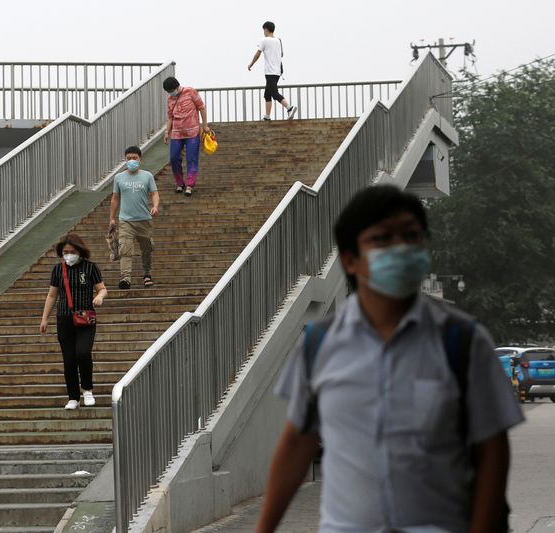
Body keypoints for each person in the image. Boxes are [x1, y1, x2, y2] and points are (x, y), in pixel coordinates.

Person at [256, 185, 524, 533]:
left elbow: (492, 449)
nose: (401, 249)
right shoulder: (319, 345)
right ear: (350, 260)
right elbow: (297, 442)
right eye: (382, 240)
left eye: (411, 236)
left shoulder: (462, 341)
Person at [40, 234, 108, 410]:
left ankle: (87, 389)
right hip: (64, 319)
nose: (69, 255)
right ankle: (73, 397)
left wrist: (99, 296)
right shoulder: (58, 270)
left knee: (83, 353)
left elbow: (102, 289)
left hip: (85, 318)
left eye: (72, 251)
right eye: (65, 252)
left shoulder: (90, 268)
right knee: (69, 359)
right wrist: (44, 318)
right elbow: (52, 295)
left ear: (80, 251)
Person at [109, 146, 160, 289]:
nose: (132, 160)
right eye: (129, 158)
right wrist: (112, 218)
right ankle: (125, 278)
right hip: (126, 220)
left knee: (147, 248)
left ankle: (147, 273)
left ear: (140, 160)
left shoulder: (147, 176)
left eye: (134, 158)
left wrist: (155, 206)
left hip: (144, 219)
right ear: (125, 160)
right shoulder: (119, 178)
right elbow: (115, 198)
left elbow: (154, 193)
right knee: (125, 249)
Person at [162, 76, 210, 196]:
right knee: (174, 158)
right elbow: (170, 117)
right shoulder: (170, 99)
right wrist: (167, 132)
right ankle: (179, 182)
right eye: (168, 92)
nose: (171, 93)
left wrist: (205, 125)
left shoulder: (191, 92)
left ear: (177, 87)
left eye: (171, 90)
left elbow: (202, 108)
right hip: (177, 132)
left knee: (191, 158)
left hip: (192, 132)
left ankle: (190, 185)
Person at [248, 21, 297, 121]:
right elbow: (281, 54)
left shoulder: (264, 40)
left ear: (266, 29)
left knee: (274, 93)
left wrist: (251, 64)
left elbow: (258, 54)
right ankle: (267, 116)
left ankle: (289, 108)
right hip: (278, 71)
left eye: (263, 30)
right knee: (267, 94)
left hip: (270, 71)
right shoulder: (278, 40)